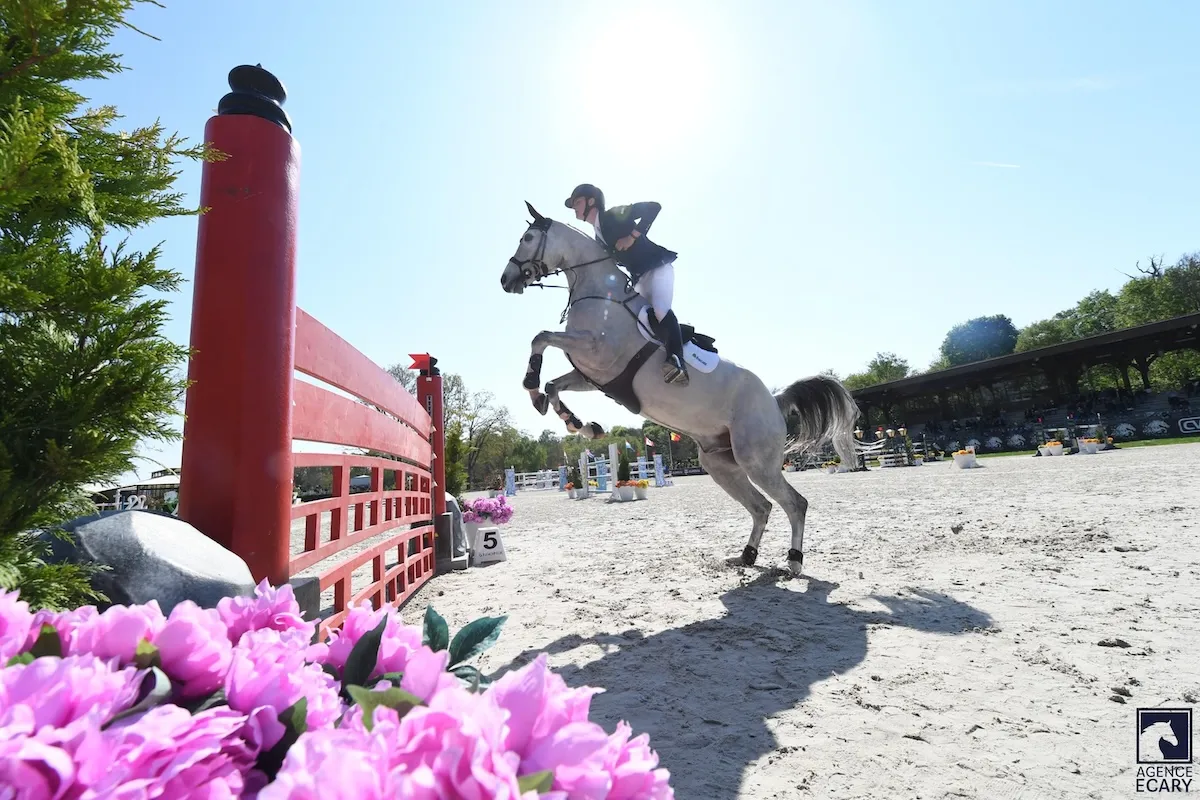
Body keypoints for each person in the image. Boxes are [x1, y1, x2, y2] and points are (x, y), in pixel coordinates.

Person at [563, 183, 689, 385]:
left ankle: (677, 360)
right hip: (639, 278)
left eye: (576, 202)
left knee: (659, 310)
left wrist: (632, 236)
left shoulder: (613, 215)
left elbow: (653, 207)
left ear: (591, 201)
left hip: (657, 267)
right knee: (635, 320)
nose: (574, 208)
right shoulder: (598, 237)